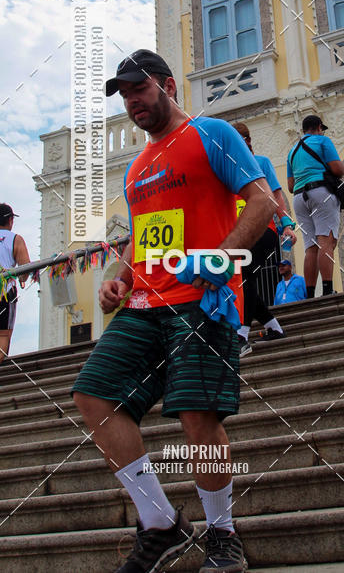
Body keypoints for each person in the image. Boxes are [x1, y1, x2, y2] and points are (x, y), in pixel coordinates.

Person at [72, 49, 274, 573]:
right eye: (125, 95)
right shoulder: (137, 168)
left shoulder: (213, 134)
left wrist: (223, 257)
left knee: (196, 419)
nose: (133, 101)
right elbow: (144, 239)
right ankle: (159, 521)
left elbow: (261, 202)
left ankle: (222, 533)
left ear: (169, 86)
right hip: (144, 304)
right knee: (94, 395)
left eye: (140, 89)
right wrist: (118, 280)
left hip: (202, 302)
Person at [232, 122, 296, 357]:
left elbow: (278, 195)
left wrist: (287, 225)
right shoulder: (227, 168)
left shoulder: (262, 162)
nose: (242, 143)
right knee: (243, 280)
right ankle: (273, 327)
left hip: (263, 230)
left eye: (244, 138)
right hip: (238, 235)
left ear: (249, 141)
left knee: (243, 279)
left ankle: (241, 335)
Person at [287, 115, 344, 299]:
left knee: (310, 247)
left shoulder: (292, 151)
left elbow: (290, 185)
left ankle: (310, 294)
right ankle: (327, 290)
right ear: (319, 127)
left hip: (299, 198)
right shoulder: (322, 141)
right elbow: (338, 170)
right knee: (326, 241)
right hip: (321, 193)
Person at [0, 204, 29, 365]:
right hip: (5, 292)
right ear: (10, 220)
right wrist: (23, 279)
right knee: (3, 333)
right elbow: (25, 267)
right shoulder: (15, 239)